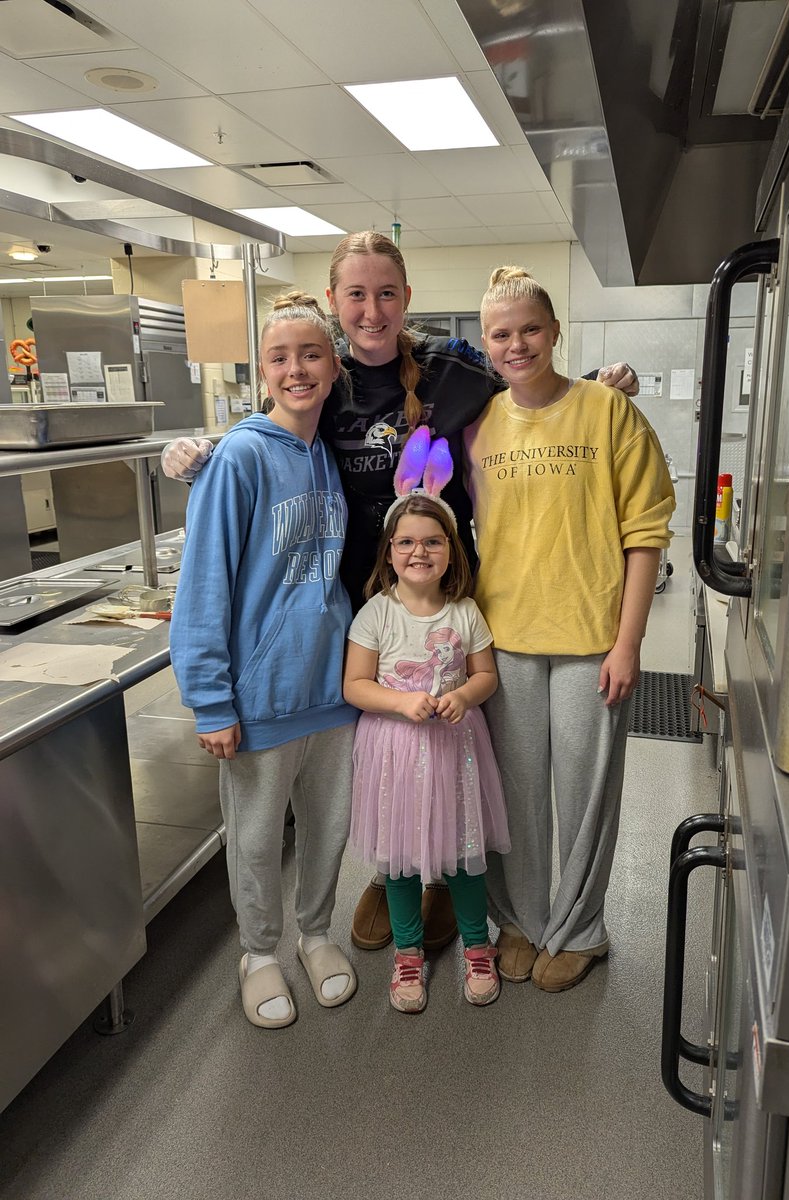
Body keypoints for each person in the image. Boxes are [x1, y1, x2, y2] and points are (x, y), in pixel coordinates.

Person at [161, 230, 639, 955]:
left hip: (448, 602)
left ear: (407, 297)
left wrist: (601, 382)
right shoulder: (328, 375)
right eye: (355, 294)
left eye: (387, 292)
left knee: (452, 743)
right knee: (385, 754)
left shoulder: (454, 368)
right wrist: (208, 446)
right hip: (355, 613)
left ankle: (450, 872)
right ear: (334, 301)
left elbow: (529, 377)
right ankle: (396, 872)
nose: (372, 309)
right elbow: (279, 417)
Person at [464, 265, 675, 992]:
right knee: (514, 795)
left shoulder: (609, 413)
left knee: (584, 792)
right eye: (501, 334)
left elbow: (646, 533)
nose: (516, 344)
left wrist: (629, 642)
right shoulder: (479, 425)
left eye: (529, 329)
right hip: (506, 639)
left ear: (555, 332)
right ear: (486, 345)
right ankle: (519, 922)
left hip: (591, 640)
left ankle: (581, 930)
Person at [169, 292, 358, 1028]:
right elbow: (204, 585)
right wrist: (211, 701)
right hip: (260, 699)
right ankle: (259, 953)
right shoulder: (239, 457)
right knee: (254, 841)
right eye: (279, 357)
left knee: (327, 829)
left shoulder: (326, 456)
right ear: (263, 370)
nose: (296, 369)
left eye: (310, 353)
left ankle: (316, 935)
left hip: (331, 691)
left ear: (333, 364)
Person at [342, 439, 509, 1012]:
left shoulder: (464, 611)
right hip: (395, 752)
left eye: (433, 541)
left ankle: (476, 944)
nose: (420, 551)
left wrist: (463, 694)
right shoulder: (376, 614)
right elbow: (355, 686)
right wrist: (398, 702)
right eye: (408, 542)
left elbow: (485, 674)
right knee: (400, 855)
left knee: (464, 851)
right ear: (389, 551)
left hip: (456, 752)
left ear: (450, 549)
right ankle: (408, 955)